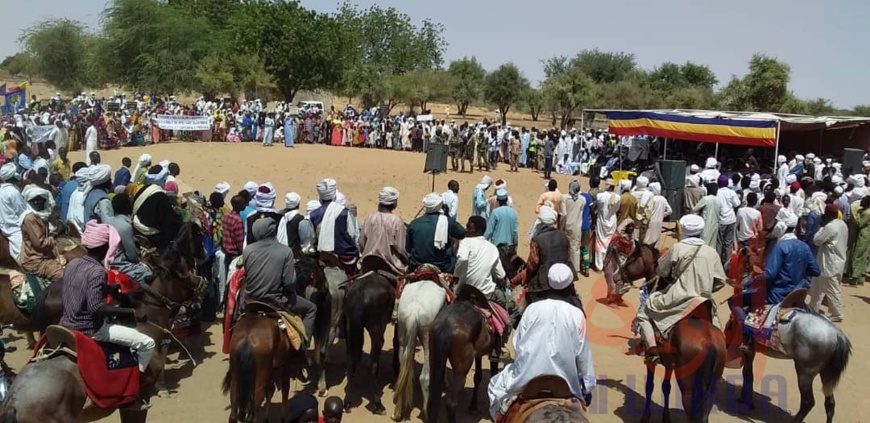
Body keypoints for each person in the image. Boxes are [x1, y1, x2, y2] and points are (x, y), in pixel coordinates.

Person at [488, 263, 596, 421]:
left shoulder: (532, 309)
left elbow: (518, 344)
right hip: (565, 382)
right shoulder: (577, 314)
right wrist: (588, 385)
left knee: (494, 387)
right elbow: (583, 356)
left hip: (527, 379)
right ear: (570, 286)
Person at [61, 220, 155, 375]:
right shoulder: (98, 271)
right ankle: (135, 380)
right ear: (105, 247)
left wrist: (108, 288)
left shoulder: (73, 263)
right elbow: (95, 308)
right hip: (90, 329)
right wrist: (131, 313)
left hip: (65, 323)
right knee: (147, 343)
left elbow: (79, 289)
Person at [635, 214, 727, 364]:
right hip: (702, 300)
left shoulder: (677, 248)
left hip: (678, 298)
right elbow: (721, 281)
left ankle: (652, 350)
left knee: (644, 313)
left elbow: (661, 271)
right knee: (715, 323)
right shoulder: (712, 252)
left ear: (683, 230)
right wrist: (705, 288)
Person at [243, 218, 317, 341]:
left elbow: (248, 275)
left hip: (250, 300)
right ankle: (303, 345)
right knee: (311, 309)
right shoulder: (285, 251)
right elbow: (289, 282)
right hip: (276, 300)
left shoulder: (248, 250)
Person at [455, 216, 520, 330]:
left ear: (479, 230)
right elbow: (500, 274)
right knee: (513, 309)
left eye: (469, 228)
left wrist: (456, 276)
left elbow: (463, 259)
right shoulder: (492, 248)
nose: (466, 230)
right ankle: (501, 342)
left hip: (463, 291)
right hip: (486, 292)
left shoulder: (465, 242)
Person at [511, 204, 579, 306]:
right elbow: (568, 254)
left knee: (524, 305)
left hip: (544, 281)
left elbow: (533, 264)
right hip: (564, 277)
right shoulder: (563, 235)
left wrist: (525, 276)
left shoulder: (537, 240)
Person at [406, 193, 465, 273]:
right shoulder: (448, 221)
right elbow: (462, 233)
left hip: (416, 265)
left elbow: (408, 248)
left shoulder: (414, 223)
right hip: (442, 266)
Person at [810, 204, 848, 322]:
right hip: (834, 262)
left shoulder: (830, 227)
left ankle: (837, 313)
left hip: (829, 263)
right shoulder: (842, 224)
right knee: (817, 287)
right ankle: (813, 308)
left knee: (832, 289)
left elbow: (817, 240)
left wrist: (821, 227)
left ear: (829, 215)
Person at [132, 165, 183, 252]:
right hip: (151, 234)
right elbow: (168, 221)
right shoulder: (161, 196)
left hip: (137, 226)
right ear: (163, 179)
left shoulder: (142, 189)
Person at [104, 194, 153, 283]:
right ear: (127, 206)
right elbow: (131, 255)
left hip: (107, 259)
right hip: (118, 263)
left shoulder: (109, 221)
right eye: (130, 203)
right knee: (148, 273)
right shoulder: (125, 226)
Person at [358, 187, 407, 275]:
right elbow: (400, 248)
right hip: (390, 265)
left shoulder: (369, 217)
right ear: (394, 203)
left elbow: (361, 243)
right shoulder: (397, 221)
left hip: (367, 263)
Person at [19, 186, 63, 282]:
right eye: (33, 200)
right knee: (62, 276)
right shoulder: (30, 218)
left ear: (44, 200)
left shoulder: (42, 215)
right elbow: (40, 244)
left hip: (44, 256)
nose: (36, 203)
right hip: (35, 260)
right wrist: (53, 237)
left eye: (39, 199)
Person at [309, 179, 359, 261]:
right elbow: (352, 235)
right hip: (345, 256)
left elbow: (312, 238)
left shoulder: (313, 215)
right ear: (334, 196)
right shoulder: (344, 212)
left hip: (324, 257)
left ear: (320, 197)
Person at [593, 183, 621, 271]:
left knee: (599, 243)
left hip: (601, 221)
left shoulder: (600, 196)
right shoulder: (618, 197)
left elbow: (596, 208)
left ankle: (599, 266)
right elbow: (617, 210)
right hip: (612, 222)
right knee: (609, 243)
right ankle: (607, 264)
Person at [560, 180, 586, 272]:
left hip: (567, 225)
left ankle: (565, 267)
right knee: (575, 247)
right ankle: (575, 269)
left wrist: (561, 227)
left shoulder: (564, 198)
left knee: (565, 247)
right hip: (577, 226)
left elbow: (564, 214)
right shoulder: (583, 199)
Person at [716, 175, 741, 265]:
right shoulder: (731, 192)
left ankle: (717, 263)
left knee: (718, 243)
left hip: (720, 220)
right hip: (730, 220)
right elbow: (737, 204)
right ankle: (727, 264)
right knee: (728, 243)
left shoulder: (716, 193)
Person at [845, 196, 870, 285]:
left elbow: (859, 223)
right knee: (863, 256)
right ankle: (860, 279)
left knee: (858, 256)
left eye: (863, 201)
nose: (860, 202)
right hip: (865, 236)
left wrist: (857, 215)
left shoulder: (867, 213)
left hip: (863, 236)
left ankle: (854, 279)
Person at [221, 195, 246, 273]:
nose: (245, 205)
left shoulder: (225, 216)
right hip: (234, 255)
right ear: (238, 205)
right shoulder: (238, 220)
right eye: (243, 203)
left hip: (225, 252)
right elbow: (240, 242)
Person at [693, 181, 721, 248]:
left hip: (705, 225)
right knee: (712, 245)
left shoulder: (705, 199)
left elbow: (695, 209)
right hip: (715, 225)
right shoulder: (718, 200)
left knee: (703, 244)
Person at [643, 183, 672, 248]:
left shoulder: (651, 198)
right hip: (659, 221)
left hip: (650, 220)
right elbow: (670, 211)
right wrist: (662, 215)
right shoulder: (663, 199)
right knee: (656, 239)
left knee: (647, 238)